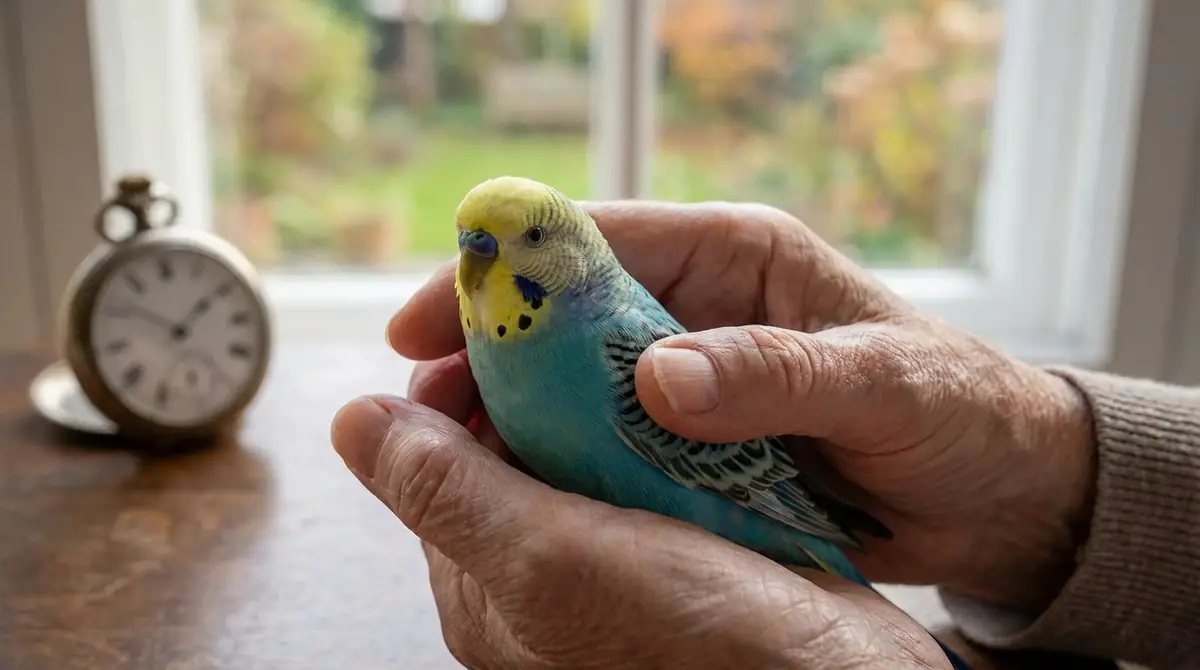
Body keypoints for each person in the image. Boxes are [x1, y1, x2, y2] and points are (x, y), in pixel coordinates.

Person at [330, 201, 1200, 670]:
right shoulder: (492, 336)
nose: (485, 257)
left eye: (527, 239)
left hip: (755, 507)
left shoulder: (620, 348)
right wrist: (1055, 495)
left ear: (576, 251)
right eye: (473, 244)